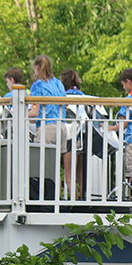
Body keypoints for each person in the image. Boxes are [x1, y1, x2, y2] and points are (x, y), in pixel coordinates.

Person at [27, 55, 67, 203]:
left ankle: (43, 199)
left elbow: (35, 113)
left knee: (41, 164)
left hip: (47, 126)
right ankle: (56, 196)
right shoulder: (58, 84)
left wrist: (19, 114)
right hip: (61, 126)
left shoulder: (38, 85)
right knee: (56, 165)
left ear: (37, 68)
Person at [60, 68, 86, 198]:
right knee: (80, 174)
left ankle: (73, 202)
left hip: (69, 137)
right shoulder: (82, 96)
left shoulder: (64, 98)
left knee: (69, 175)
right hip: (82, 137)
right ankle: (83, 200)